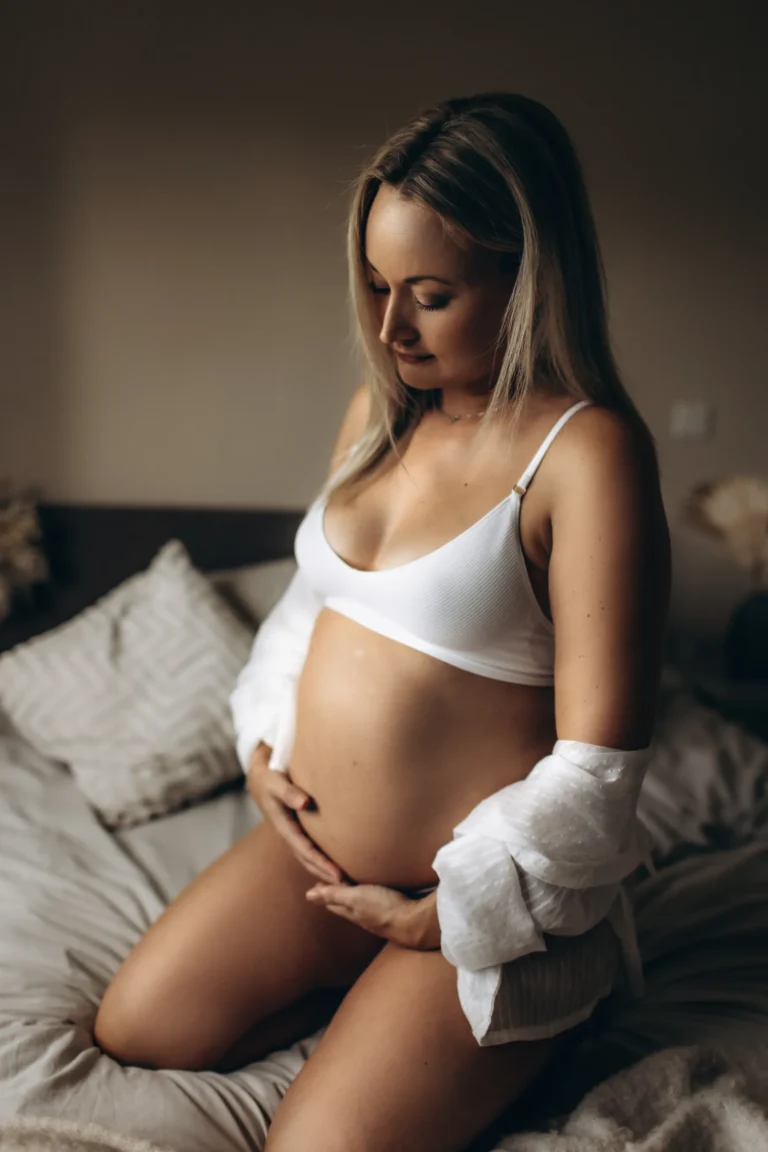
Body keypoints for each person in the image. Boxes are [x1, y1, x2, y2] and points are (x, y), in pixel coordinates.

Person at [93, 92, 671, 1151]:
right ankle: (369, 993)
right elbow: (308, 609)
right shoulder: (380, 415)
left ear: (523, 275)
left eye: (431, 295)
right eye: (373, 286)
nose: (388, 326)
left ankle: (543, 1004)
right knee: (136, 1029)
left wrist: (449, 917)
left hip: (473, 910)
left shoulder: (586, 456)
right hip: (315, 861)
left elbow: (599, 770)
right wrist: (264, 741)